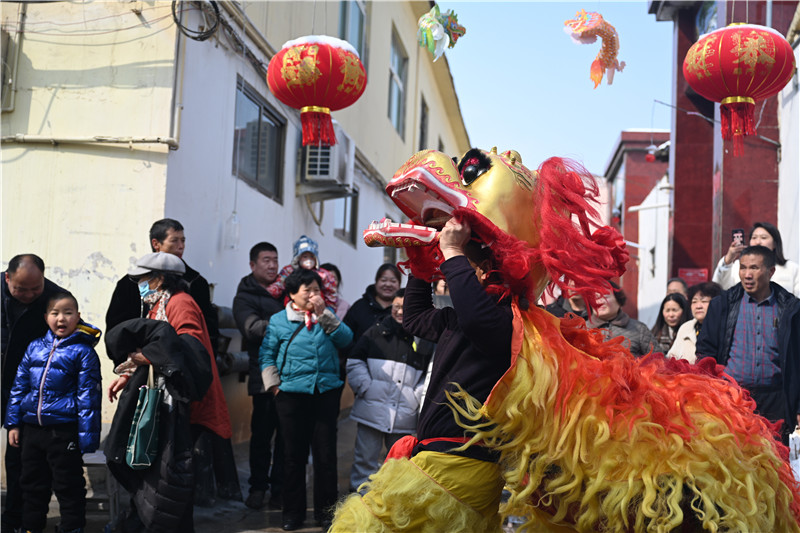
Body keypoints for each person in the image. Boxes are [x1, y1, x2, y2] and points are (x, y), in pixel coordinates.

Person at [332, 217, 514, 531]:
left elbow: (475, 319)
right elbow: (414, 318)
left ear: (484, 270)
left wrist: (453, 248)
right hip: (440, 456)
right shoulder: (461, 320)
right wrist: (420, 265)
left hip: (461, 461)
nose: (450, 271)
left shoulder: (503, 321)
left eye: (459, 265)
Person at [109, 252, 233, 522]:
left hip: (186, 406)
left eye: (143, 278)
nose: (140, 284)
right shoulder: (159, 304)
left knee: (173, 482)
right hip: (169, 403)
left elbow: (187, 348)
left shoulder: (180, 303)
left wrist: (146, 356)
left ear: (160, 279)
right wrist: (129, 374)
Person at [259, 268, 353, 531]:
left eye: (316, 289)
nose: (314, 294)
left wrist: (324, 315)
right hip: (290, 396)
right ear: (291, 294)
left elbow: (346, 339)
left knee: (326, 456)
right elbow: (266, 354)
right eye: (307, 290)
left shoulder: (327, 314)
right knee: (292, 456)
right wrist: (274, 386)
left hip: (325, 393)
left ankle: (326, 514)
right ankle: (292, 513)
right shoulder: (279, 320)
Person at [5, 292, 101, 533]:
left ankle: (71, 528)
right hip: (32, 431)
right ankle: (31, 527)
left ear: (78, 317)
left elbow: (88, 398)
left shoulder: (83, 352)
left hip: (63, 433)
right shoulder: (35, 347)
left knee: (68, 485)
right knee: (32, 484)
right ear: (46, 317)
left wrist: (86, 438)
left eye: (68, 313)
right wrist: (14, 424)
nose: (61, 319)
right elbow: (19, 387)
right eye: (55, 313)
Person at [104, 317, 212, 533]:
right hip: (167, 435)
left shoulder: (178, 311)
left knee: (163, 492)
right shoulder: (155, 349)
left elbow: (176, 349)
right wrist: (133, 370)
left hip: (169, 431)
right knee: (160, 493)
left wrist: (145, 358)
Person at [697, 245, 800, 444]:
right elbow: (705, 351)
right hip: (732, 398)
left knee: (775, 461)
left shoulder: (790, 308)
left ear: (771, 272)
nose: (747, 274)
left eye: (754, 268)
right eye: (743, 268)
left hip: (776, 400)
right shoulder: (723, 305)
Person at [1, 254, 65, 531]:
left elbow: (74, 335)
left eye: (35, 289)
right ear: (7, 278)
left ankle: (15, 521)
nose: (28, 295)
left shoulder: (56, 299)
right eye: (20, 289)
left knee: (22, 461)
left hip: (29, 393)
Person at [346, 288, 432, 492]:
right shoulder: (376, 332)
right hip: (371, 410)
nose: (400, 311)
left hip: (405, 414)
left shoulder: (424, 339)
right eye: (396, 306)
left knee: (400, 465)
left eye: (406, 307)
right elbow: (354, 361)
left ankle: (392, 508)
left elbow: (430, 373)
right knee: (364, 462)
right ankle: (360, 504)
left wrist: (416, 397)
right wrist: (365, 387)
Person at [105, 218, 220, 354]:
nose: (181, 246)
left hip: (178, 362)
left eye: (183, 240)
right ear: (156, 243)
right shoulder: (130, 283)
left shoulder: (195, 283)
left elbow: (205, 331)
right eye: (174, 240)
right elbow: (116, 327)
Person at [232, 242, 284, 510]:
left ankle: (279, 490)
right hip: (263, 375)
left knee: (286, 438)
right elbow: (252, 328)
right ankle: (257, 488)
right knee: (262, 437)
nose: (272, 265)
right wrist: (288, 322)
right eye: (266, 260)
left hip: (291, 376)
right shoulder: (244, 296)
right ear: (253, 265)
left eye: (275, 259)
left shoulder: (285, 290)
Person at [712, 222, 800, 297]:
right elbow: (719, 288)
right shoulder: (737, 266)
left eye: (763, 238)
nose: (758, 242)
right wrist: (728, 260)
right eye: (754, 238)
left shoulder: (792, 268)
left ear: (775, 244)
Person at [586, 282, 662, 356]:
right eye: (595, 297)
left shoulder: (639, 329)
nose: (599, 301)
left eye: (605, 296)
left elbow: (659, 361)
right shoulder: (582, 329)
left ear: (618, 300)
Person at [342, 263, 402, 355]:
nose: (388, 284)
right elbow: (345, 336)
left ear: (399, 285)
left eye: (393, 281)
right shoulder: (360, 306)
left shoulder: (404, 311)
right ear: (376, 282)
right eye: (383, 280)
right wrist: (355, 355)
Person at [265, 235, 339, 309]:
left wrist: (328, 309)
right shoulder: (289, 271)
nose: (309, 260)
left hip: (316, 309)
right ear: (298, 258)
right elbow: (279, 284)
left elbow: (331, 293)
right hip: (291, 308)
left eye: (311, 256)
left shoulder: (324, 275)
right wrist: (268, 292)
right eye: (305, 256)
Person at [668, 281, 722, 363]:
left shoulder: (724, 328)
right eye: (694, 302)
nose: (698, 306)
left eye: (704, 301)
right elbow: (671, 357)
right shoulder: (686, 327)